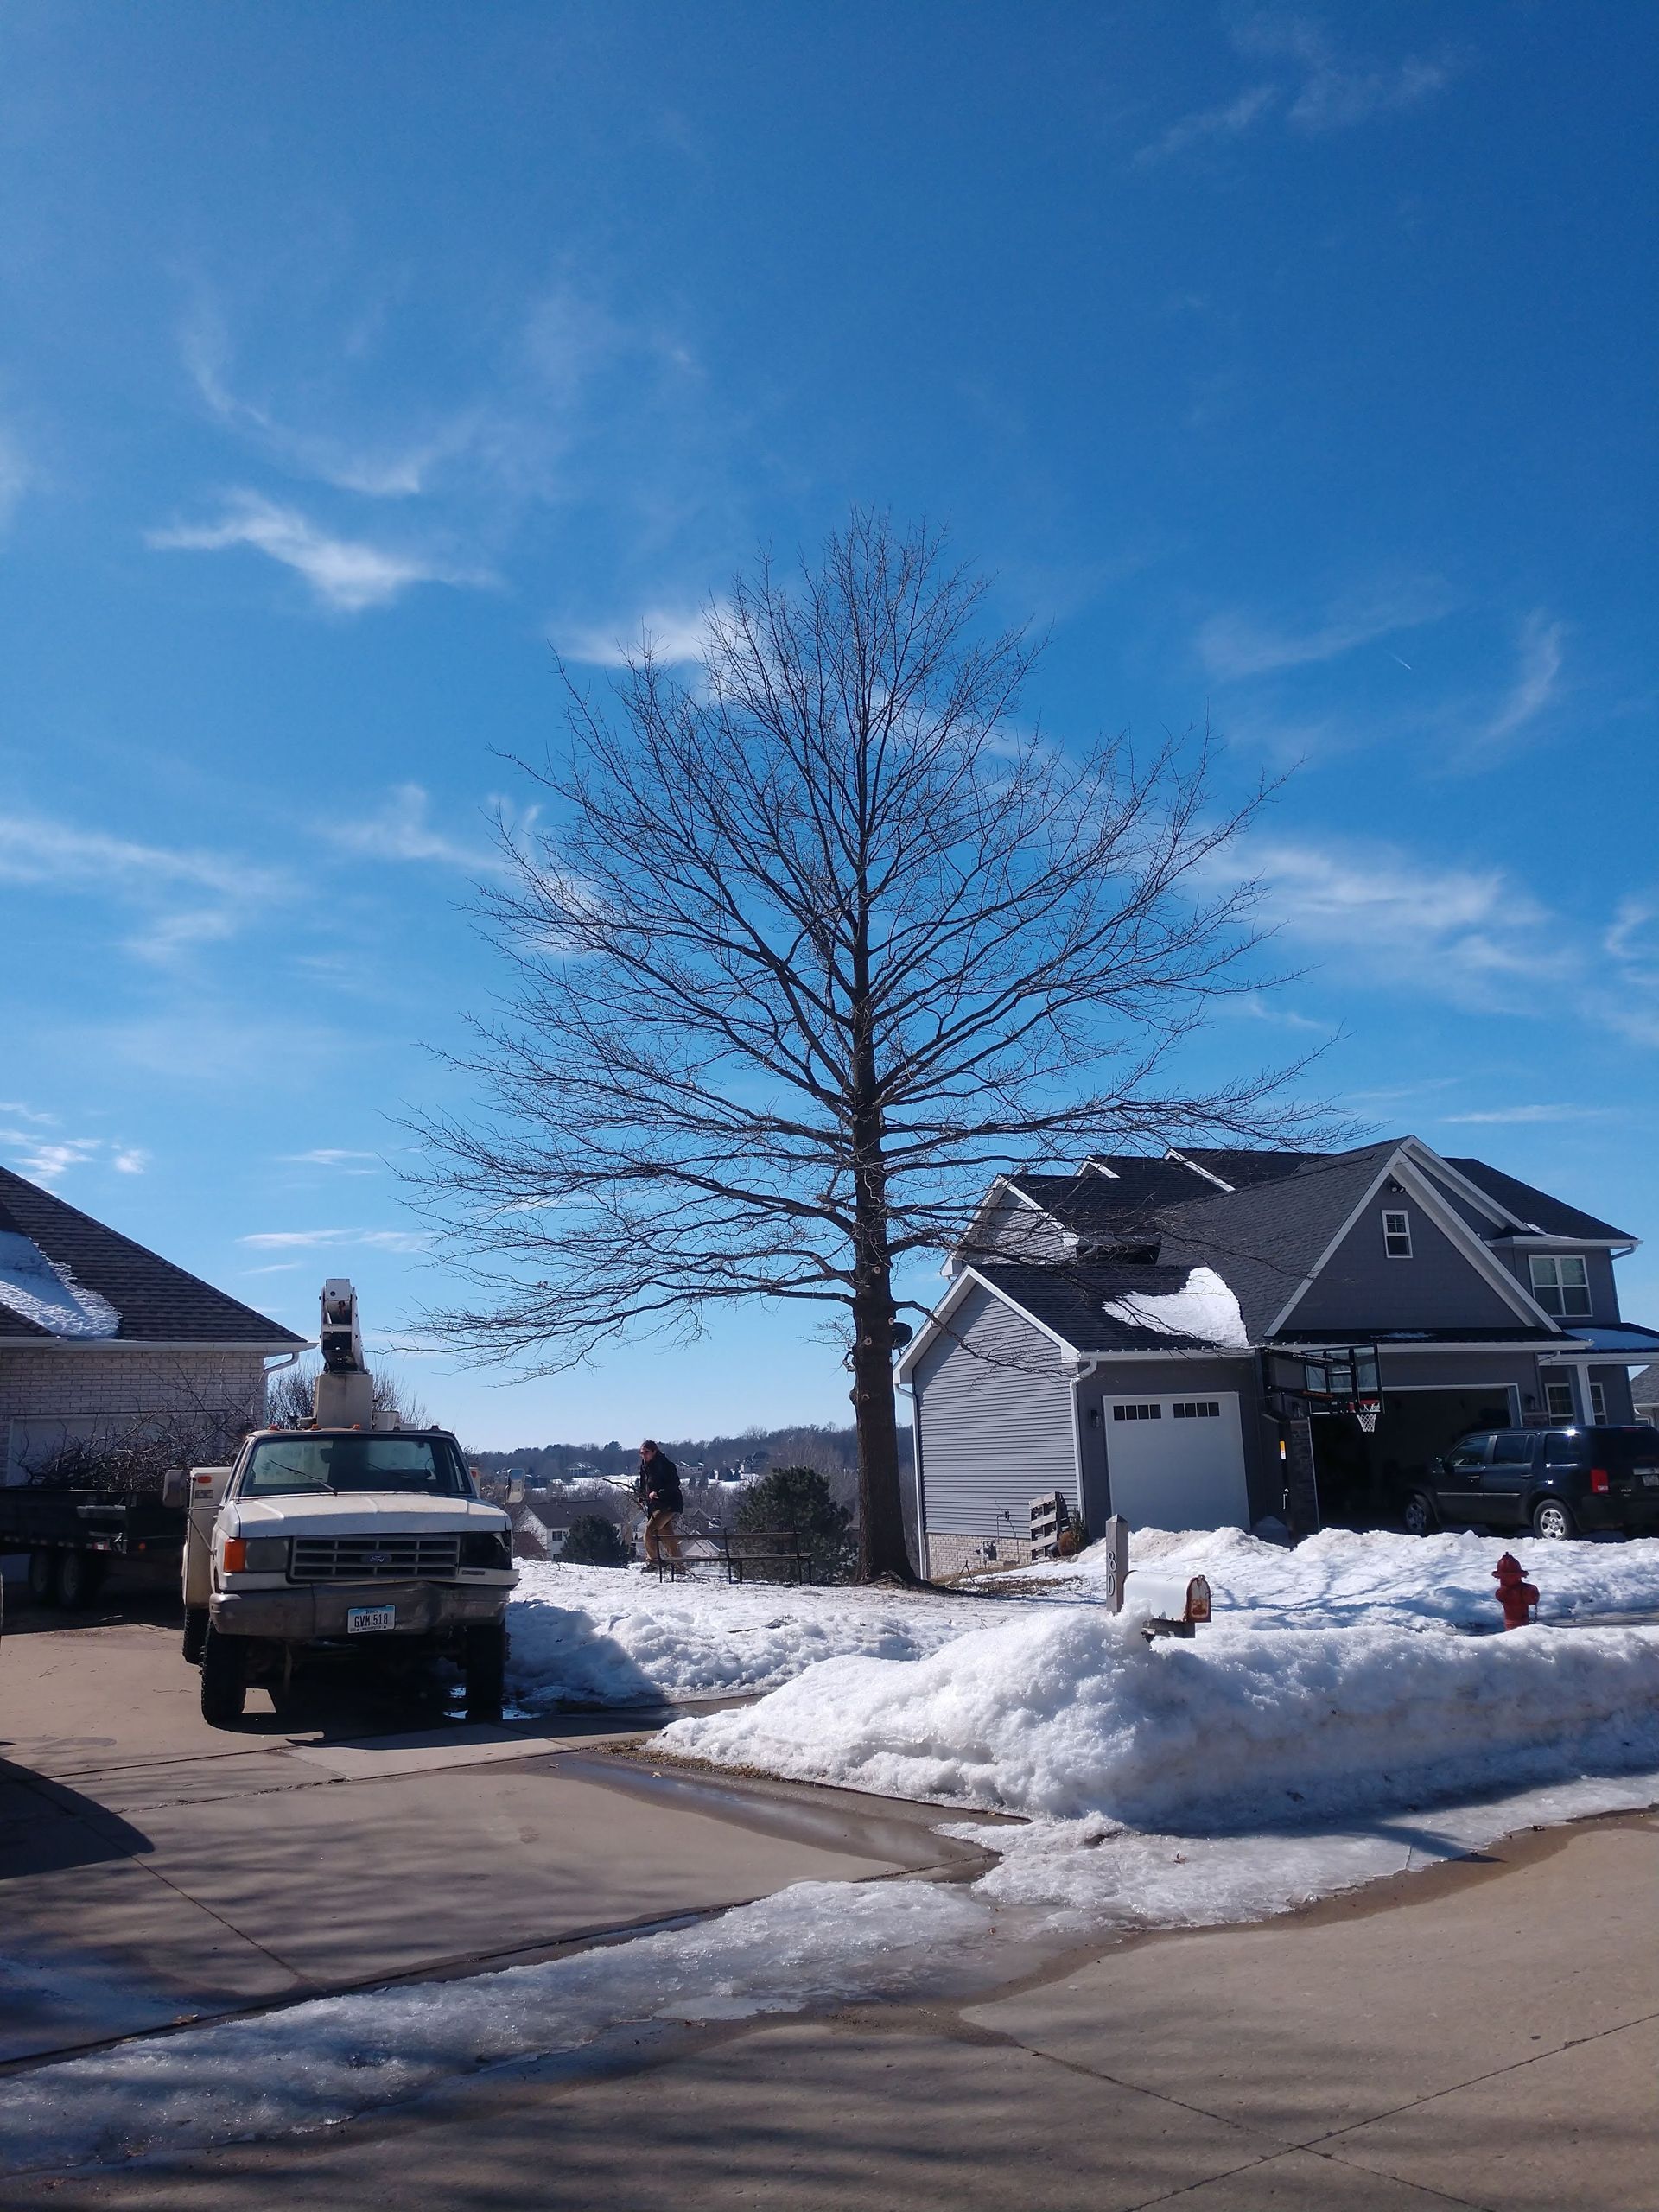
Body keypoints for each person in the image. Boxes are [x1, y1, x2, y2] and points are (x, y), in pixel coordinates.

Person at [637, 1439, 683, 1568]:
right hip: (655, 1505)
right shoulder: (645, 1464)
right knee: (667, 1536)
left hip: (668, 1503)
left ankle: (653, 1562)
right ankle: (679, 1566)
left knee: (650, 1531)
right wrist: (641, 1496)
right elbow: (644, 1483)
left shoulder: (665, 1465)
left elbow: (675, 1483)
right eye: (641, 1453)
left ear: (654, 1451)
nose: (643, 1455)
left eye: (646, 1452)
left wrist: (658, 1493)